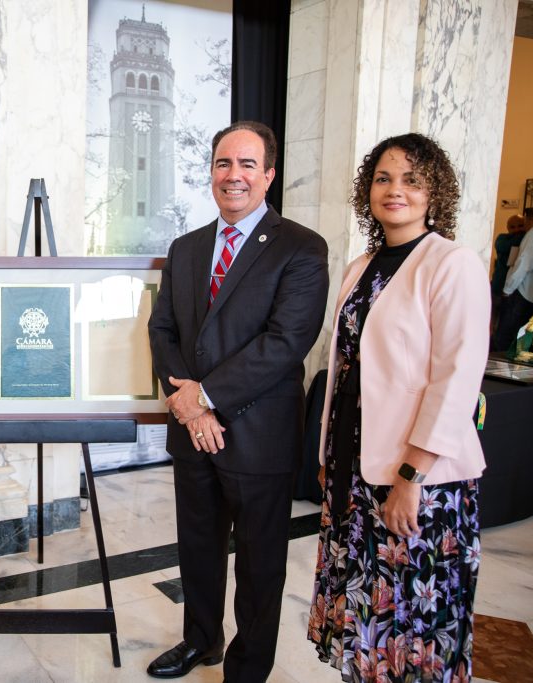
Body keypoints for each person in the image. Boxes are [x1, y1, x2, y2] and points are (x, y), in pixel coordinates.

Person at [147, 121, 329, 682]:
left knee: (258, 564)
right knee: (198, 550)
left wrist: (203, 397)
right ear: (211, 173)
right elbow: (163, 331)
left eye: (248, 165)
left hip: (258, 433)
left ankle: (247, 670)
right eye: (224, 164)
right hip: (193, 432)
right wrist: (189, 407)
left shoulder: (301, 247)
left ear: (268, 175)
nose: (234, 176)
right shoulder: (186, 247)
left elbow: (285, 342)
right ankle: (202, 641)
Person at [308, 133, 488, 681]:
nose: (395, 190)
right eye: (384, 178)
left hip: (419, 480)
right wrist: (329, 456)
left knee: (413, 622)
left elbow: (455, 380)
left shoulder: (451, 264)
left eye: (411, 179)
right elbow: (345, 372)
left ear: (435, 191)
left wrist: (412, 474)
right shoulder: (361, 267)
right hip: (354, 470)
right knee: (364, 616)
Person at [494, 205, 533, 351]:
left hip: (524, 293)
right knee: (524, 339)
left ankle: (496, 371)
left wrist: (508, 289)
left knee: (505, 337)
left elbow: (524, 263)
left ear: (529, 219)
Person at [489, 213, 526, 326]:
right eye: (512, 227)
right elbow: (506, 246)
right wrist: (524, 233)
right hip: (498, 286)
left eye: (520, 226)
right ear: (507, 228)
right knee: (492, 319)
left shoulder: (526, 239)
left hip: (514, 290)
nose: (516, 229)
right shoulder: (502, 239)